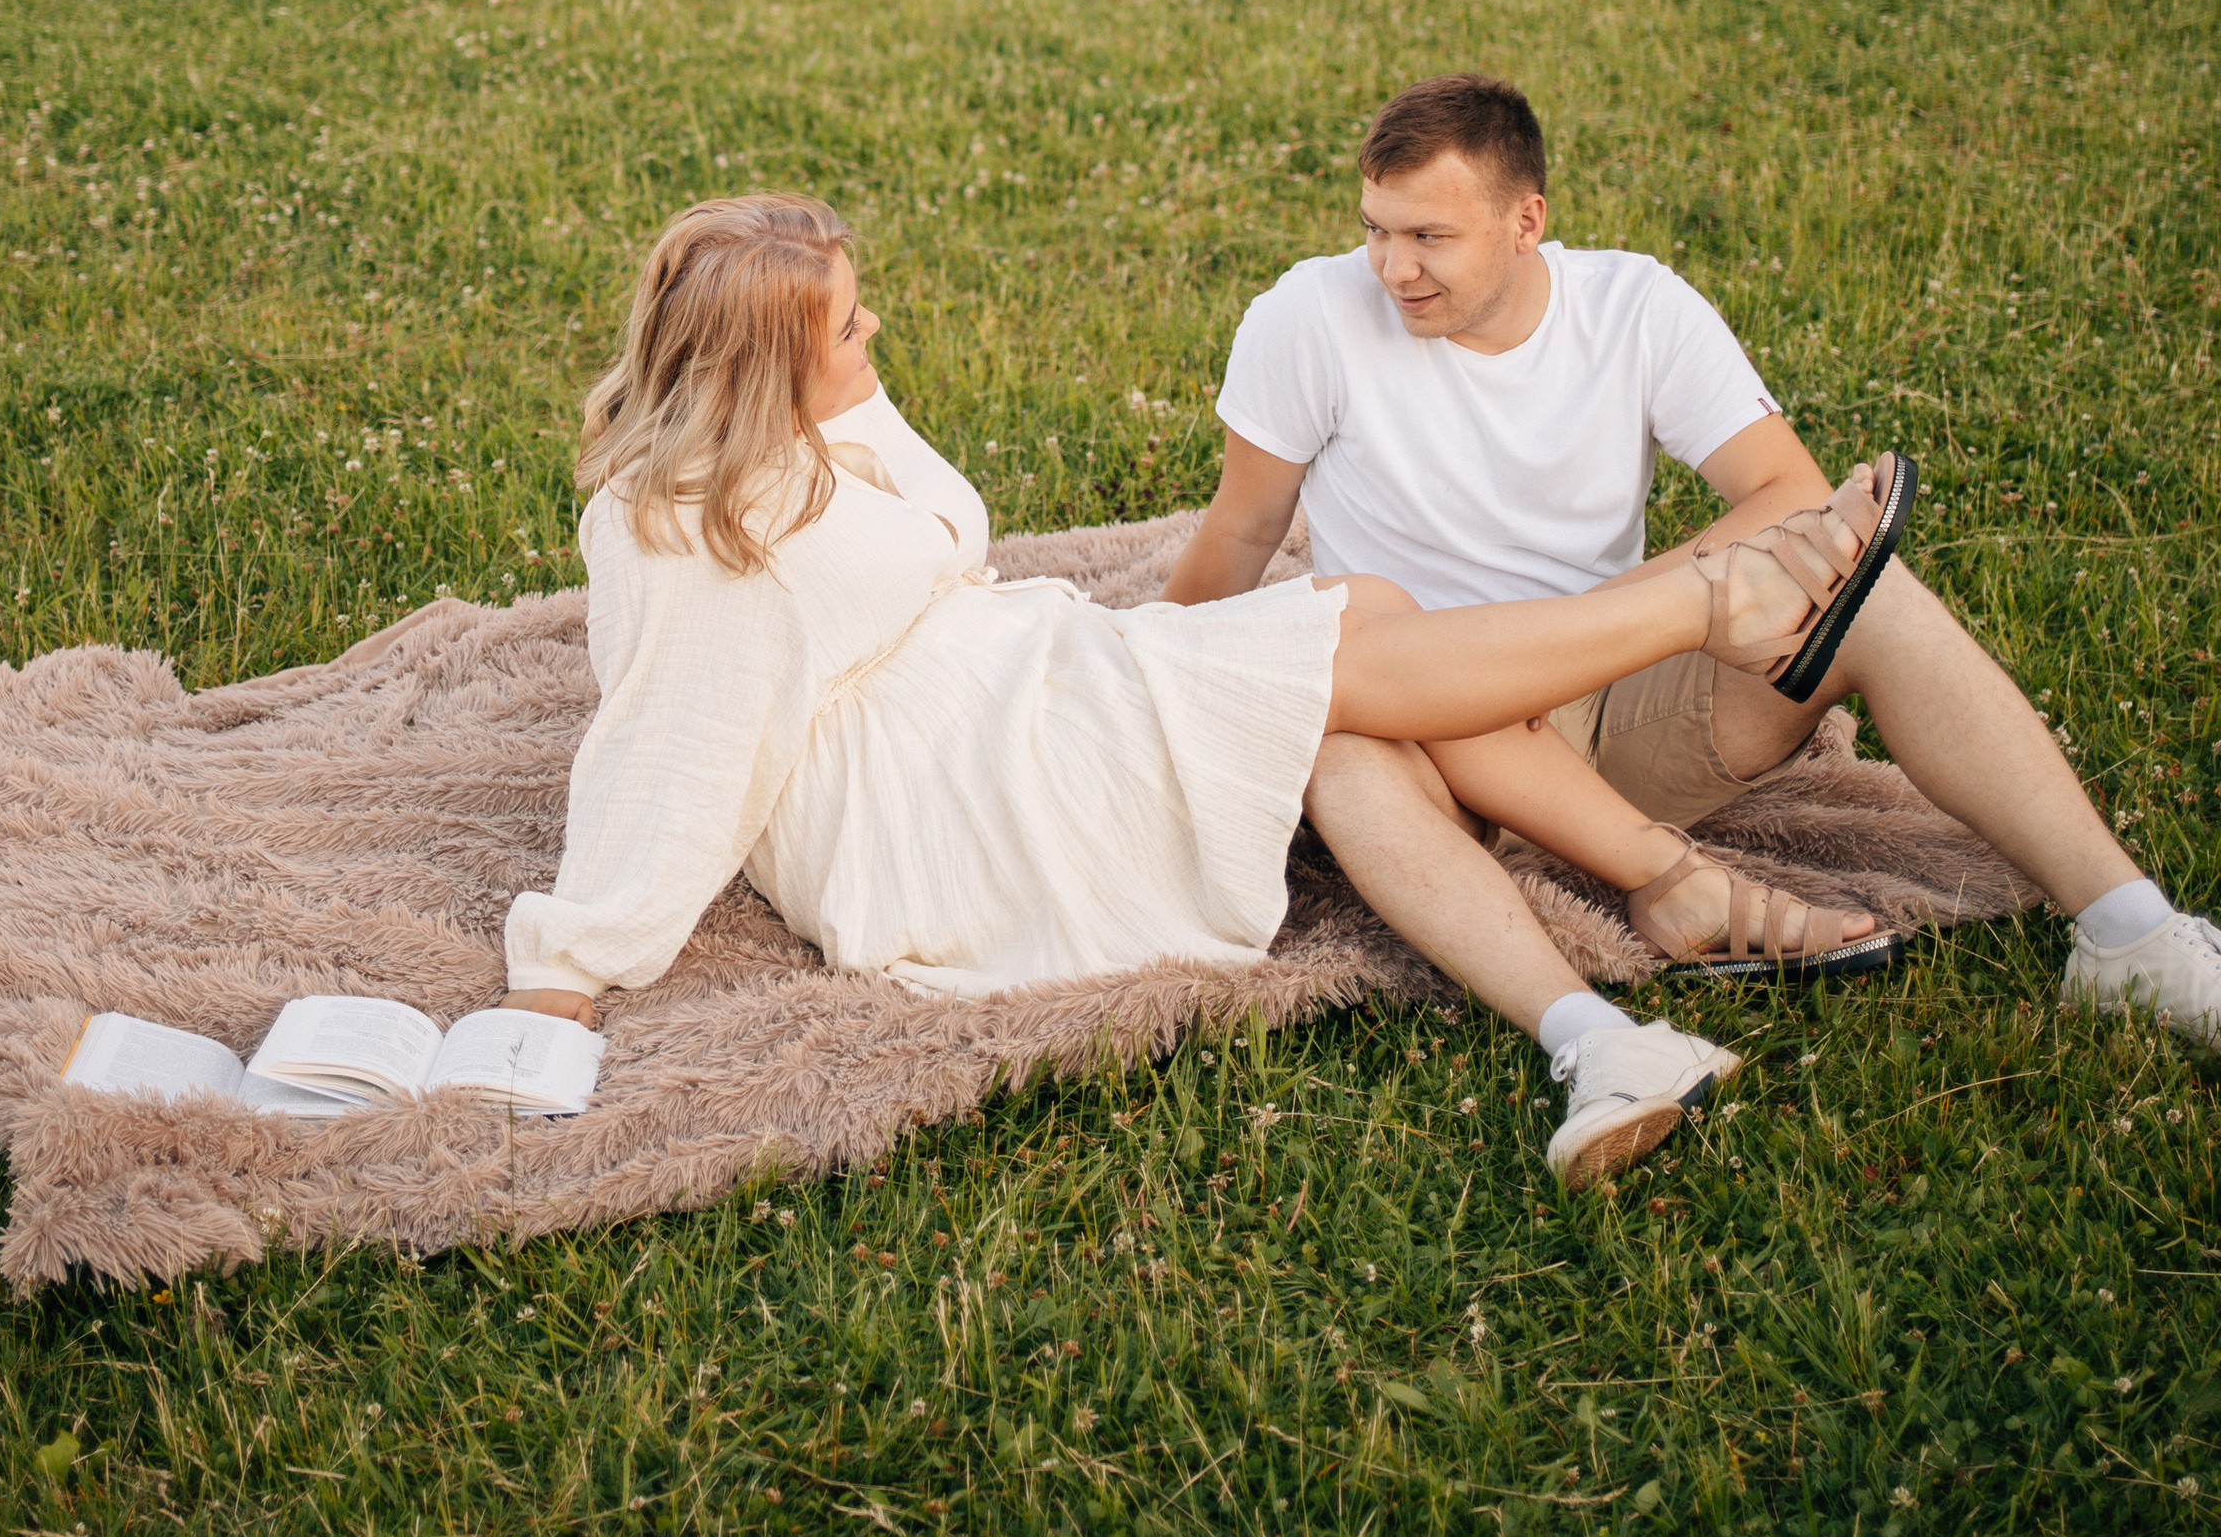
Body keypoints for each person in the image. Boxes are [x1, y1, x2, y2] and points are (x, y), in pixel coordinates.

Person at [502, 192, 1913, 1190]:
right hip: (941, 801)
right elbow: (668, 755)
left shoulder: (807, 410)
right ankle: (1712, 602)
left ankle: (1600, 1033)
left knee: (1354, 658)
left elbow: (912, 518)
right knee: (1350, 644)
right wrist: (568, 970)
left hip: (1014, 689)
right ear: (763, 368)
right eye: (851, 328)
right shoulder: (688, 533)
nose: (877, 334)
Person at [1165, 70, 2221, 1042]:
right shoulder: (1307, 314)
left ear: (1526, 221)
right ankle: (1590, 1029)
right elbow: (1243, 531)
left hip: (1617, 697)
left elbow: (1790, 494)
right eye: (1375, 232)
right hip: (1425, 731)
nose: (1395, 268)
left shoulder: (1634, 308)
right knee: (1341, 733)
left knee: (1873, 596)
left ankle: (2128, 931)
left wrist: (1595, 627)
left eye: (1429, 236)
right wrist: (1152, 685)